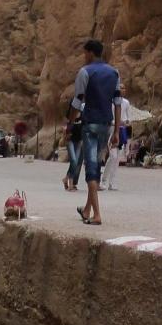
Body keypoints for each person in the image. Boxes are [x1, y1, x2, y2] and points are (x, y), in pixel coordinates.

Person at [71, 39, 121, 226]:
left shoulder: (85, 72)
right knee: (97, 164)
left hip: (90, 124)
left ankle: (97, 215)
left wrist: (70, 124)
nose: (84, 56)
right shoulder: (114, 73)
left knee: (91, 169)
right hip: (106, 125)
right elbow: (117, 103)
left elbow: (77, 101)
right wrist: (116, 131)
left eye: (85, 53)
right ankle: (87, 209)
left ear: (91, 53)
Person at [102, 94, 131, 191]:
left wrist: (126, 122)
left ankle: (112, 183)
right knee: (113, 156)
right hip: (111, 130)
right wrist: (116, 122)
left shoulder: (126, 102)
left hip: (122, 131)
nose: (122, 90)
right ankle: (104, 180)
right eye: (120, 88)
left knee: (117, 158)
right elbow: (107, 118)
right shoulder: (110, 102)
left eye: (123, 88)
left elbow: (128, 118)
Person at [63, 111, 83, 191]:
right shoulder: (70, 114)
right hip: (70, 141)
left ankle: (66, 179)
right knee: (74, 161)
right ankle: (70, 184)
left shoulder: (83, 114)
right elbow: (64, 126)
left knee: (76, 162)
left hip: (79, 141)